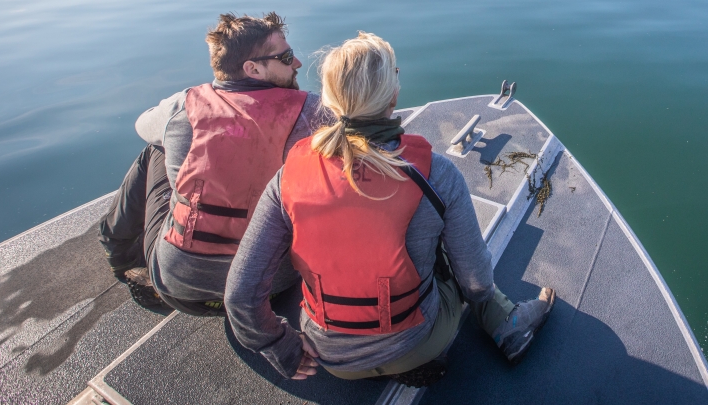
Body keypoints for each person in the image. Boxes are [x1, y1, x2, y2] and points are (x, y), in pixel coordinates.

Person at [225, 32, 555, 387]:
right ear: (393, 95)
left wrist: (281, 348)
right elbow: (476, 283)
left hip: (331, 358)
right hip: (418, 340)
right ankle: (508, 326)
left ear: (330, 100)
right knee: (440, 241)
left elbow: (239, 295)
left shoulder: (287, 177)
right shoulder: (436, 175)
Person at [98, 12, 330, 314]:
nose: (297, 63)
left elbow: (142, 126)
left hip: (179, 287)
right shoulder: (313, 111)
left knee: (156, 148)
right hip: (270, 289)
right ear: (253, 69)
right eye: (286, 57)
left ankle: (121, 256)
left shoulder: (185, 105)